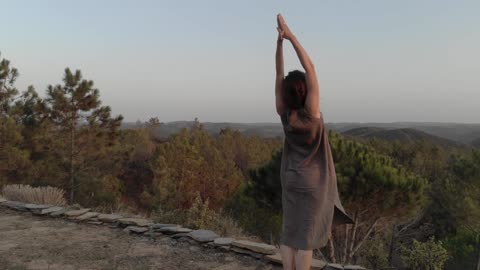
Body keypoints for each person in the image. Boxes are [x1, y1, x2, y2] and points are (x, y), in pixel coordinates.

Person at [275, 14, 353, 270]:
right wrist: (290, 36)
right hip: (312, 182)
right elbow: (311, 69)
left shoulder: (284, 113)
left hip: (290, 179)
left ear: (286, 93)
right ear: (305, 91)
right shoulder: (312, 114)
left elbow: (278, 75)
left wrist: (279, 45)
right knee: (305, 240)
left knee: (289, 235)